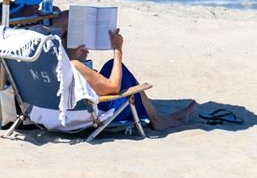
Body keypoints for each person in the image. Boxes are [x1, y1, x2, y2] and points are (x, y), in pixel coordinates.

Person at [66, 29, 197, 131]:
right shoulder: (75, 65)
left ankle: (159, 118)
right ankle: (157, 120)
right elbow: (113, 87)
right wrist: (117, 50)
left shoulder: (52, 63)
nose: (86, 49)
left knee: (110, 67)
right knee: (118, 69)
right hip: (99, 113)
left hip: (64, 115)